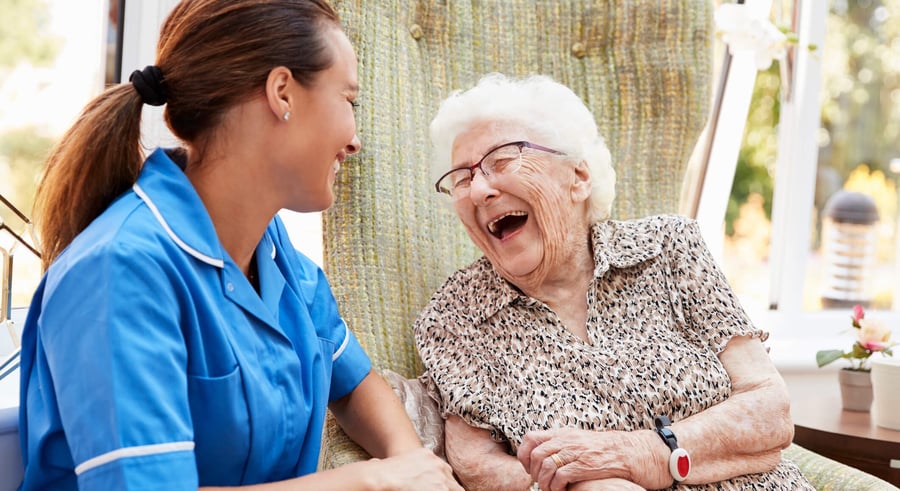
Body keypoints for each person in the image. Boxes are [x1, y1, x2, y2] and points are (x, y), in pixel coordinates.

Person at [17, 1, 462, 489]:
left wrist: (413, 463)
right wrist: (375, 480)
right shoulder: (117, 272)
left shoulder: (274, 254)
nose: (355, 140)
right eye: (348, 100)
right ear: (282, 93)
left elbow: (353, 384)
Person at [414, 73, 814, 491]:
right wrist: (587, 485)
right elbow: (477, 467)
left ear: (578, 178)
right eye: (462, 178)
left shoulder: (668, 247)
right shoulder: (456, 316)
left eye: (501, 161)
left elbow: (769, 410)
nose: (479, 190)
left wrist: (643, 455)